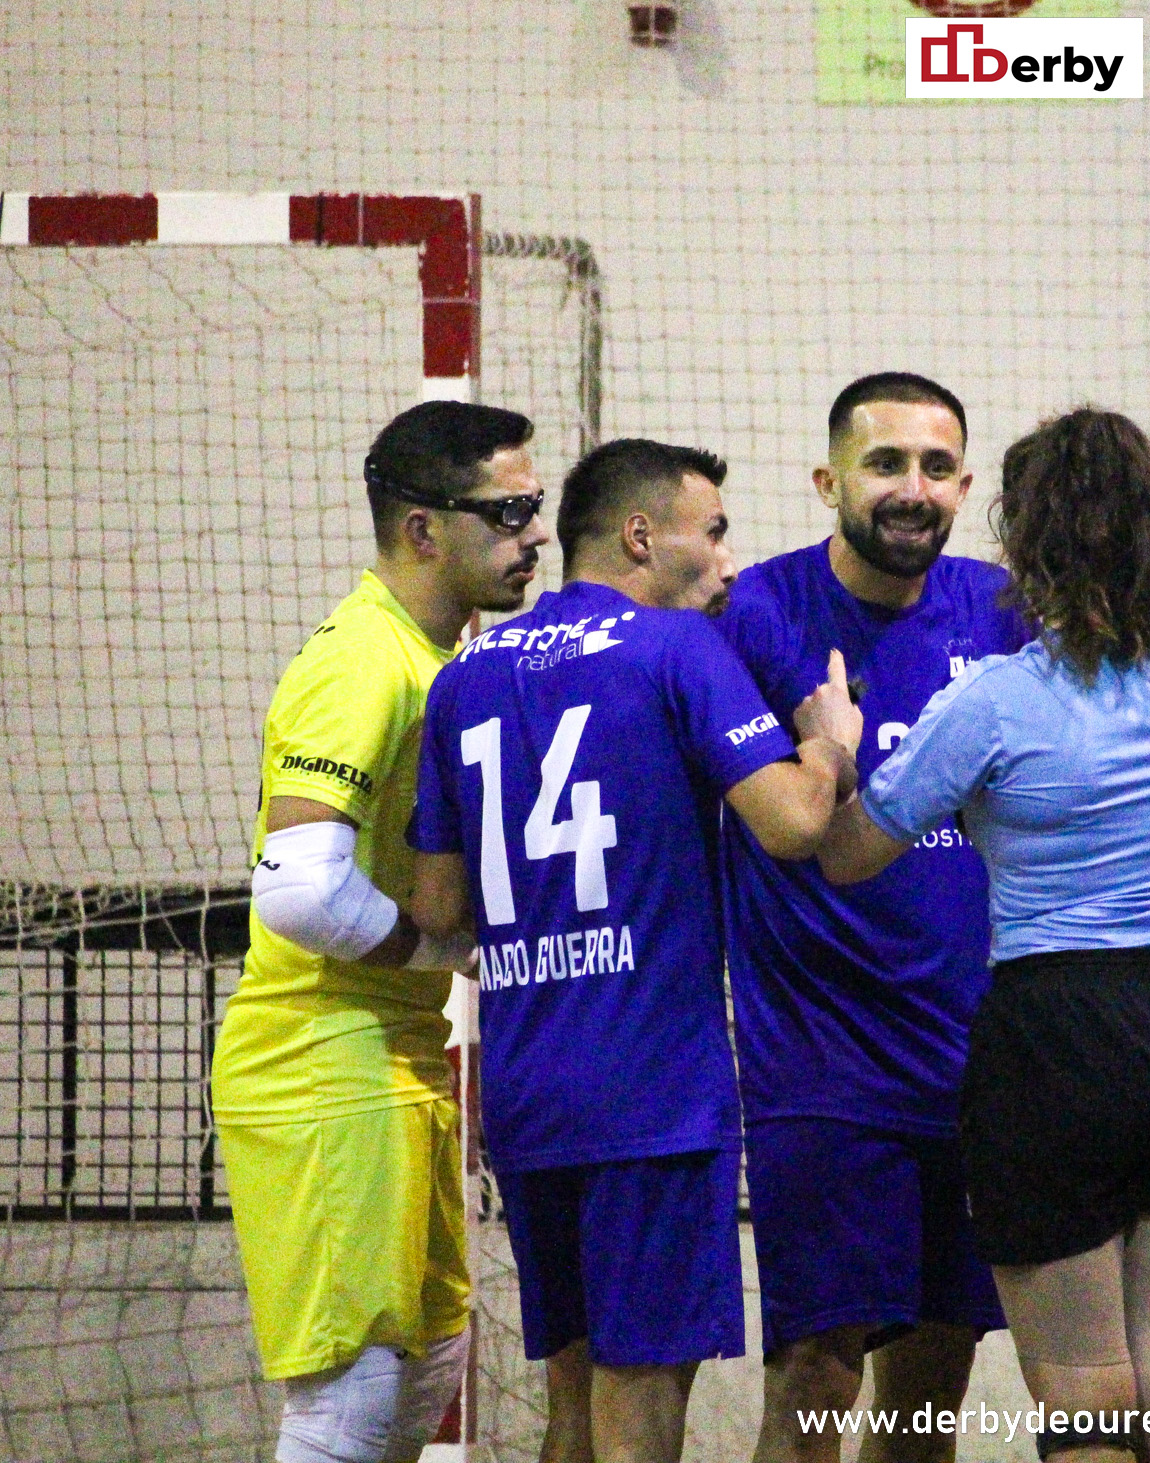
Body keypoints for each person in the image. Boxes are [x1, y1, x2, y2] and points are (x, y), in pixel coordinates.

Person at [815, 231, 1150, 1463]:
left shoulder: (988, 702)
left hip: (1050, 1033)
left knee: (1082, 1403)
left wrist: (847, 749)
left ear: (1021, 545)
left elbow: (849, 853)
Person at [406, 438, 864, 1463]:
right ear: (642, 535)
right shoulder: (676, 648)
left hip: (527, 1094)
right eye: (713, 533)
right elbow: (792, 822)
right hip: (651, 1096)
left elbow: (437, 904)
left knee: (572, 1405)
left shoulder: (461, 675)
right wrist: (828, 739)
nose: (729, 563)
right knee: (639, 1410)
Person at [210, 400, 548, 1463]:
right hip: (321, 1056)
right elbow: (299, 891)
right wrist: (446, 951)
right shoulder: (363, 659)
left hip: (399, 1053)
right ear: (421, 530)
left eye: (536, 508)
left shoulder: (445, 656)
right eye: (508, 510)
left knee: (430, 1365)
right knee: (350, 1397)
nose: (534, 533)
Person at [716, 374, 1030, 1463]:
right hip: (821, 1066)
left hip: (978, 1065)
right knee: (814, 1375)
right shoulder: (757, 608)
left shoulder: (1005, 611)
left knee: (930, 1390)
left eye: (936, 467)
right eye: (885, 463)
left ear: (965, 485)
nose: (912, 488)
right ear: (827, 480)